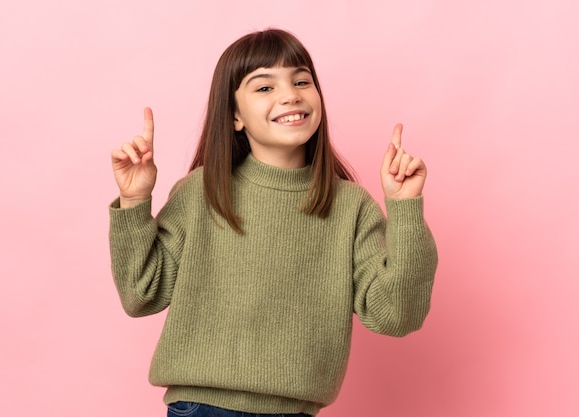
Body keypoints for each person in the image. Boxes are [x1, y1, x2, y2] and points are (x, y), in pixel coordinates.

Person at [109, 28, 438, 417]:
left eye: (301, 80)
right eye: (264, 87)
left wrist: (405, 209)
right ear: (234, 116)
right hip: (203, 408)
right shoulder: (202, 192)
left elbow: (395, 315)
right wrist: (134, 200)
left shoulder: (351, 207)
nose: (290, 94)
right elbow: (140, 294)